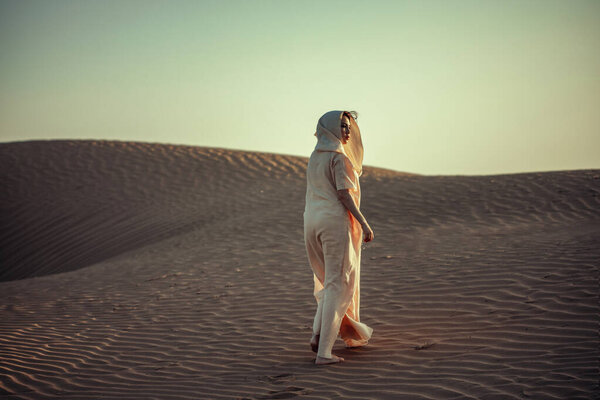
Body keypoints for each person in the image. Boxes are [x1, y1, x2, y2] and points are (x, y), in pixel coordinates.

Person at [304, 110, 374, 365]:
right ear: (331, 129)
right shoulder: (338, 158)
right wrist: (364, 222)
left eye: (348, 127)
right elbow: (344, 195)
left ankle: (317, 334)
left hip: (311, 223)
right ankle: (324, 352)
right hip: (334, 223)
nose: (346, 131)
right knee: (338, 284)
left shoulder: (314, 157)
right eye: (342, 126)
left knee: (328, 281)